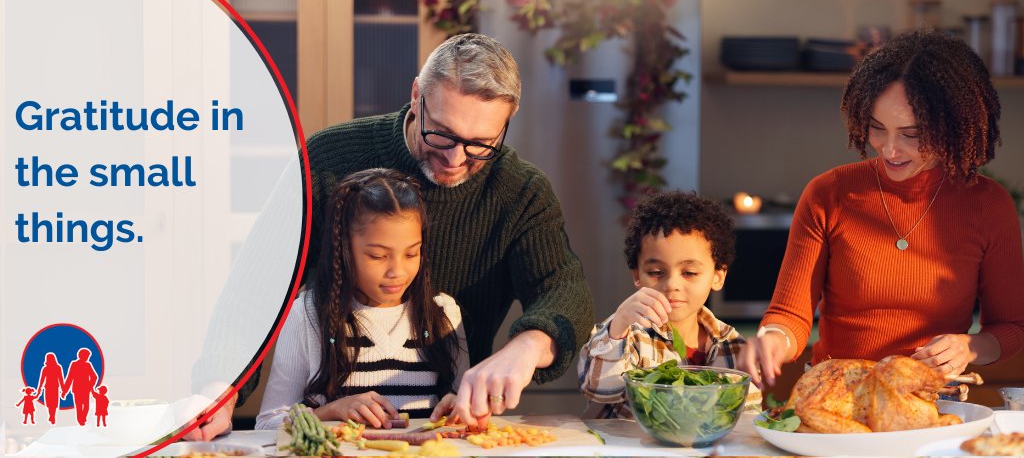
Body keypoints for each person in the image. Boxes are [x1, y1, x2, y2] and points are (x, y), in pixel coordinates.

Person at [192, 33, 593, 439]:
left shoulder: (521, 192)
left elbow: (565, 291)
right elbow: (256, 287)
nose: (455, 159)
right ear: (417, 95)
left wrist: (529, 346)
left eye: (480, 144)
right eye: (441, 133)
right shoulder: (329, 158)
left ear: (509, 119)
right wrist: (219, 388)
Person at [737, 30, 1024, 390]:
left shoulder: (988, 204)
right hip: (835, 396)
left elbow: (1012, 327)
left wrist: (970, 347)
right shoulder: (828, 193)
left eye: (912, 134)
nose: (889, 149)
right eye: (877, 128)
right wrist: (772, 339)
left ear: (953, 126)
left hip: (929, 403)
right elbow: (790, 315)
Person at [255, 169, 469, 430]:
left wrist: (460, 406)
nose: (397, 272)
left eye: (411, 254)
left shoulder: (443, 313)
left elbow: (465, 409)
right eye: (378, 256)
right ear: (344, 249)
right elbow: (267, 424)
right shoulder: (308, 315)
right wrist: (330, 411)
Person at [578, 191, 759, 418]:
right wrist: (619, 323)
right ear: (637, 275)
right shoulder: (625, 333)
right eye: (656, 272)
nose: (671, 284)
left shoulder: (732, 344)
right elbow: (597, 390)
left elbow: (748, 416)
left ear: (718, 276)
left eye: (690, 272)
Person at [64, 348, 100, 426]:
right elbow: (70, 378)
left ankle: (82, 418)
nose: (88, 358)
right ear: (81, 355)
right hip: (77, 389)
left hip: (85, 389)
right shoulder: (74, 364)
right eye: (87, 356)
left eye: (88, 356)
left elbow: (94, 377)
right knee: (79, 406)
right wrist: (65, 391)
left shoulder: (88, 364)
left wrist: (90, 386)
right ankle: (80, 420)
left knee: (86, 406)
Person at [35, 352, 65, 425]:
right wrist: (63, 389)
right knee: (51, 403)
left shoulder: (56, 367)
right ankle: (52, 415)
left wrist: (63, 389)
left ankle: (52, 416)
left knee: (51, 403)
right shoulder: (47, 368)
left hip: (51, 387)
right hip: (51, 387)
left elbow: (60, 378)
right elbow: (42, 380)